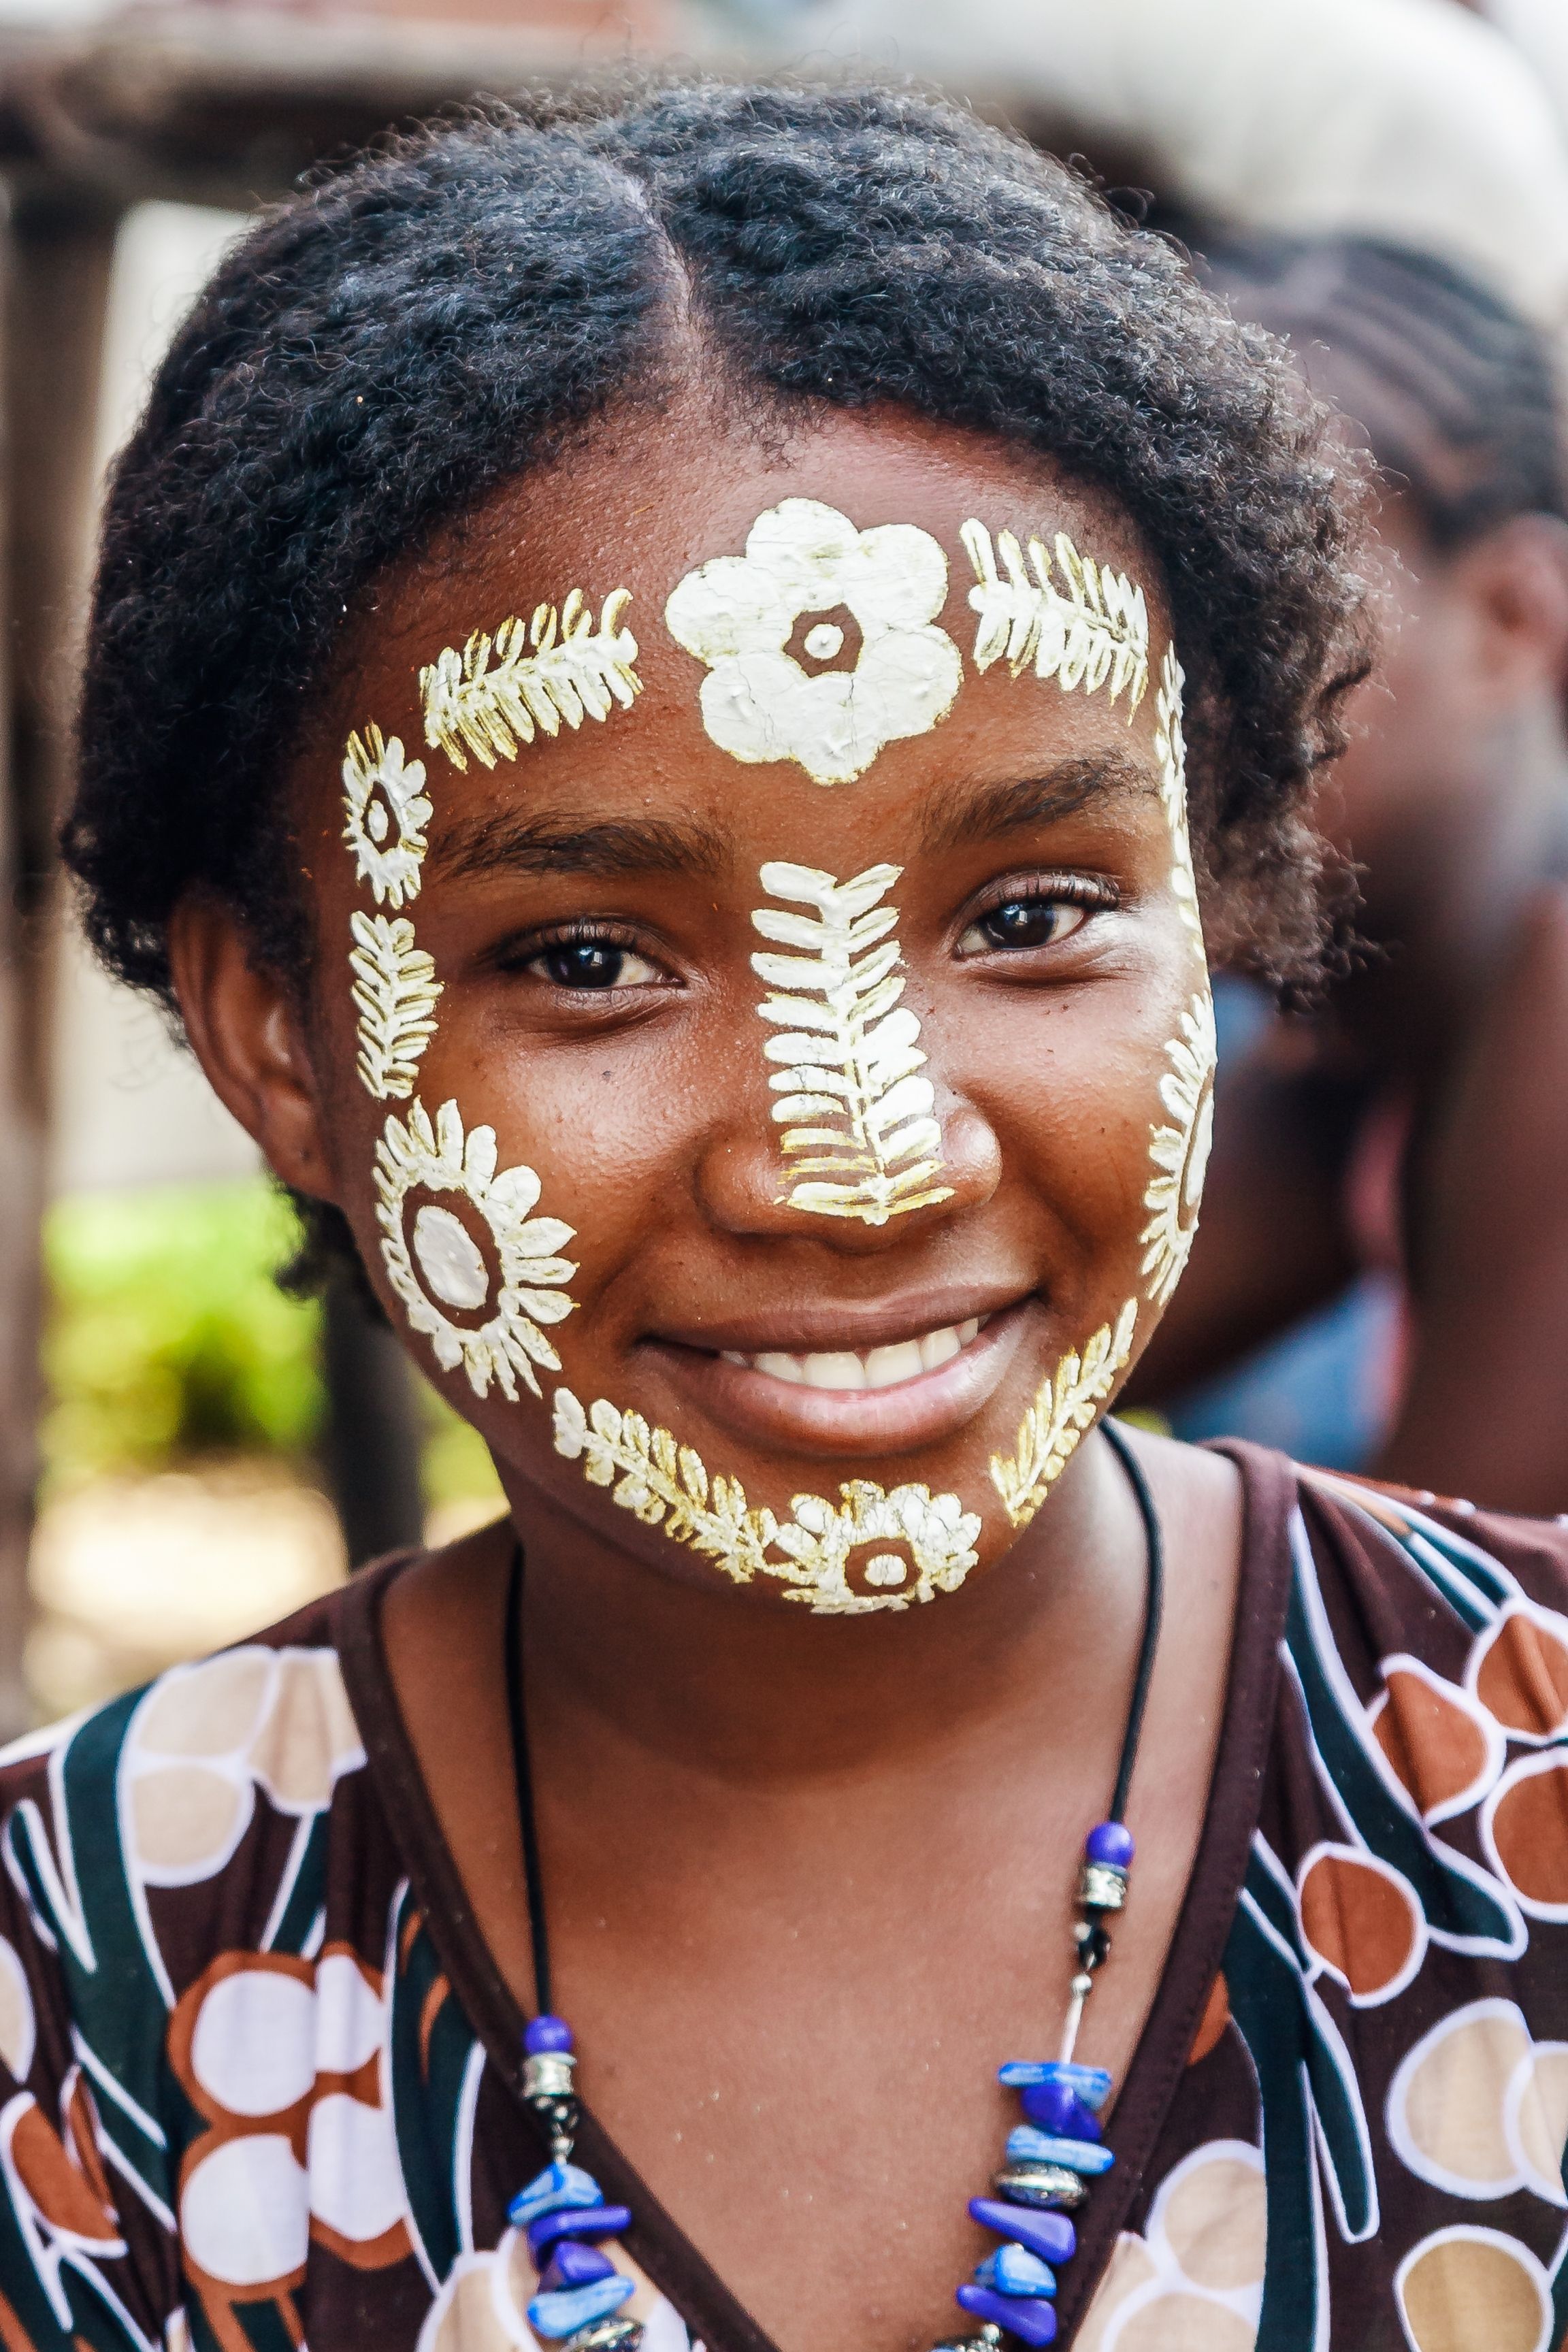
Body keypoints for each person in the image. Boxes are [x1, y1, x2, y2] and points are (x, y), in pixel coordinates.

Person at [5, 84, 1567, 2352]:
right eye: (587, 957)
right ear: (279, 1039)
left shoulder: (1519, 1792)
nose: (859, 1154)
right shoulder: (84, 1986)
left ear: (1210, 898)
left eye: (1030, 909)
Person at [1129, 234, 1568, 1507]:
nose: (1166, 704)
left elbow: (1443, 1640)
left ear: (1512, 621)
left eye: (1256, 621)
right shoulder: (1370, 1059)